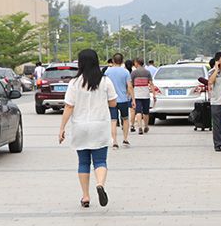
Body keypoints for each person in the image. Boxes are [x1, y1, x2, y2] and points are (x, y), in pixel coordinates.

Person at [58, 48, 117, 208]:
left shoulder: (74, 83)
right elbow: (113, 103)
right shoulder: (105, 81)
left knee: (83, 162)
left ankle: (85, 196)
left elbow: (69, 107)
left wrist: (62, 128)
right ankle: (100, 184)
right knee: (100, 161)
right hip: (100, 126)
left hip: (80, 127)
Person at [105, 53, 132, 148]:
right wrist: (133, 98)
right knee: (125, 119)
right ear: (122, 61)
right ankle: (125, 139)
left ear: (112, 60)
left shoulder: (107, 72)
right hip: (123, 100)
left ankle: (114, 142)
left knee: (113, 120)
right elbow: (129, 86)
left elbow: (104, 86)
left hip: (111, 100)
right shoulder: (125, 72)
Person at [130, 58, 154, 135]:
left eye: (135, 63)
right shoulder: (147, 72)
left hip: (137, 95)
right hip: (146, 94)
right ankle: (146, 126)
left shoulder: (134, 73)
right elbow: (151, 84)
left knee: (138, 111)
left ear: (137, 63)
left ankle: (140, 127)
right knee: (146, 112)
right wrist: (154, 94)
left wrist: (130, 95)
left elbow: (131, 85)